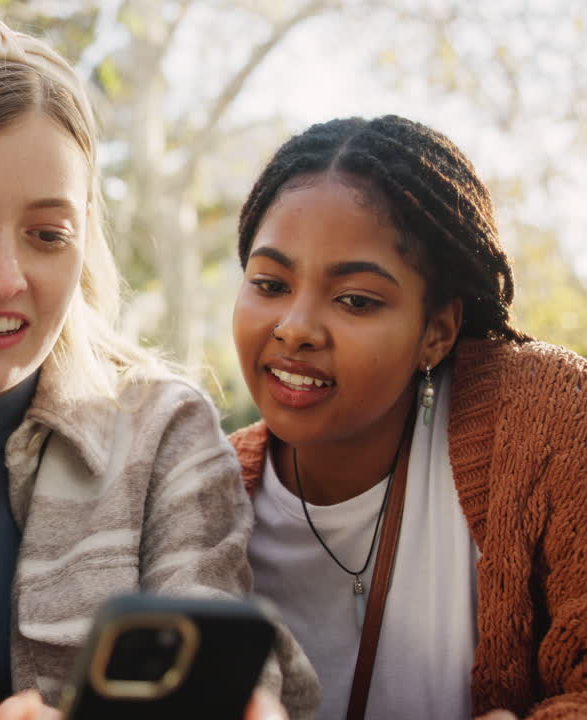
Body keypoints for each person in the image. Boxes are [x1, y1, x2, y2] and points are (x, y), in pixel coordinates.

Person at [0, 16, 319, 720]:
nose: (4, 279)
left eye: (46, 236)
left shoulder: (162, 432)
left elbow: (220, 677)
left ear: (83, 237)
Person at [229, 115, 587, 720]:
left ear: (437, 332)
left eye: (356, 300)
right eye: (270, 284)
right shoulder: (200, 495)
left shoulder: (547, 420)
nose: (294, 327)